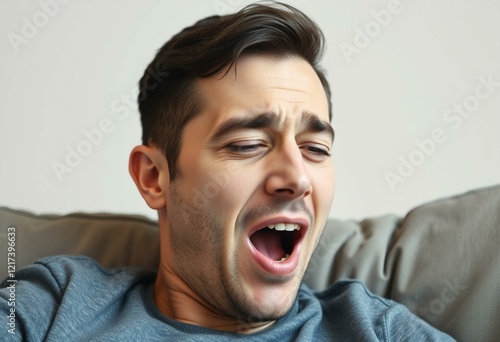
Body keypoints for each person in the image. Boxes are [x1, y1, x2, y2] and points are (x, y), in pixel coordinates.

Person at [1, 2, 455, 340]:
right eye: (248, 144)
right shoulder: (53, 306)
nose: (295, 177)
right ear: (154, 177)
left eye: (315, 148)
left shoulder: (377, 330)